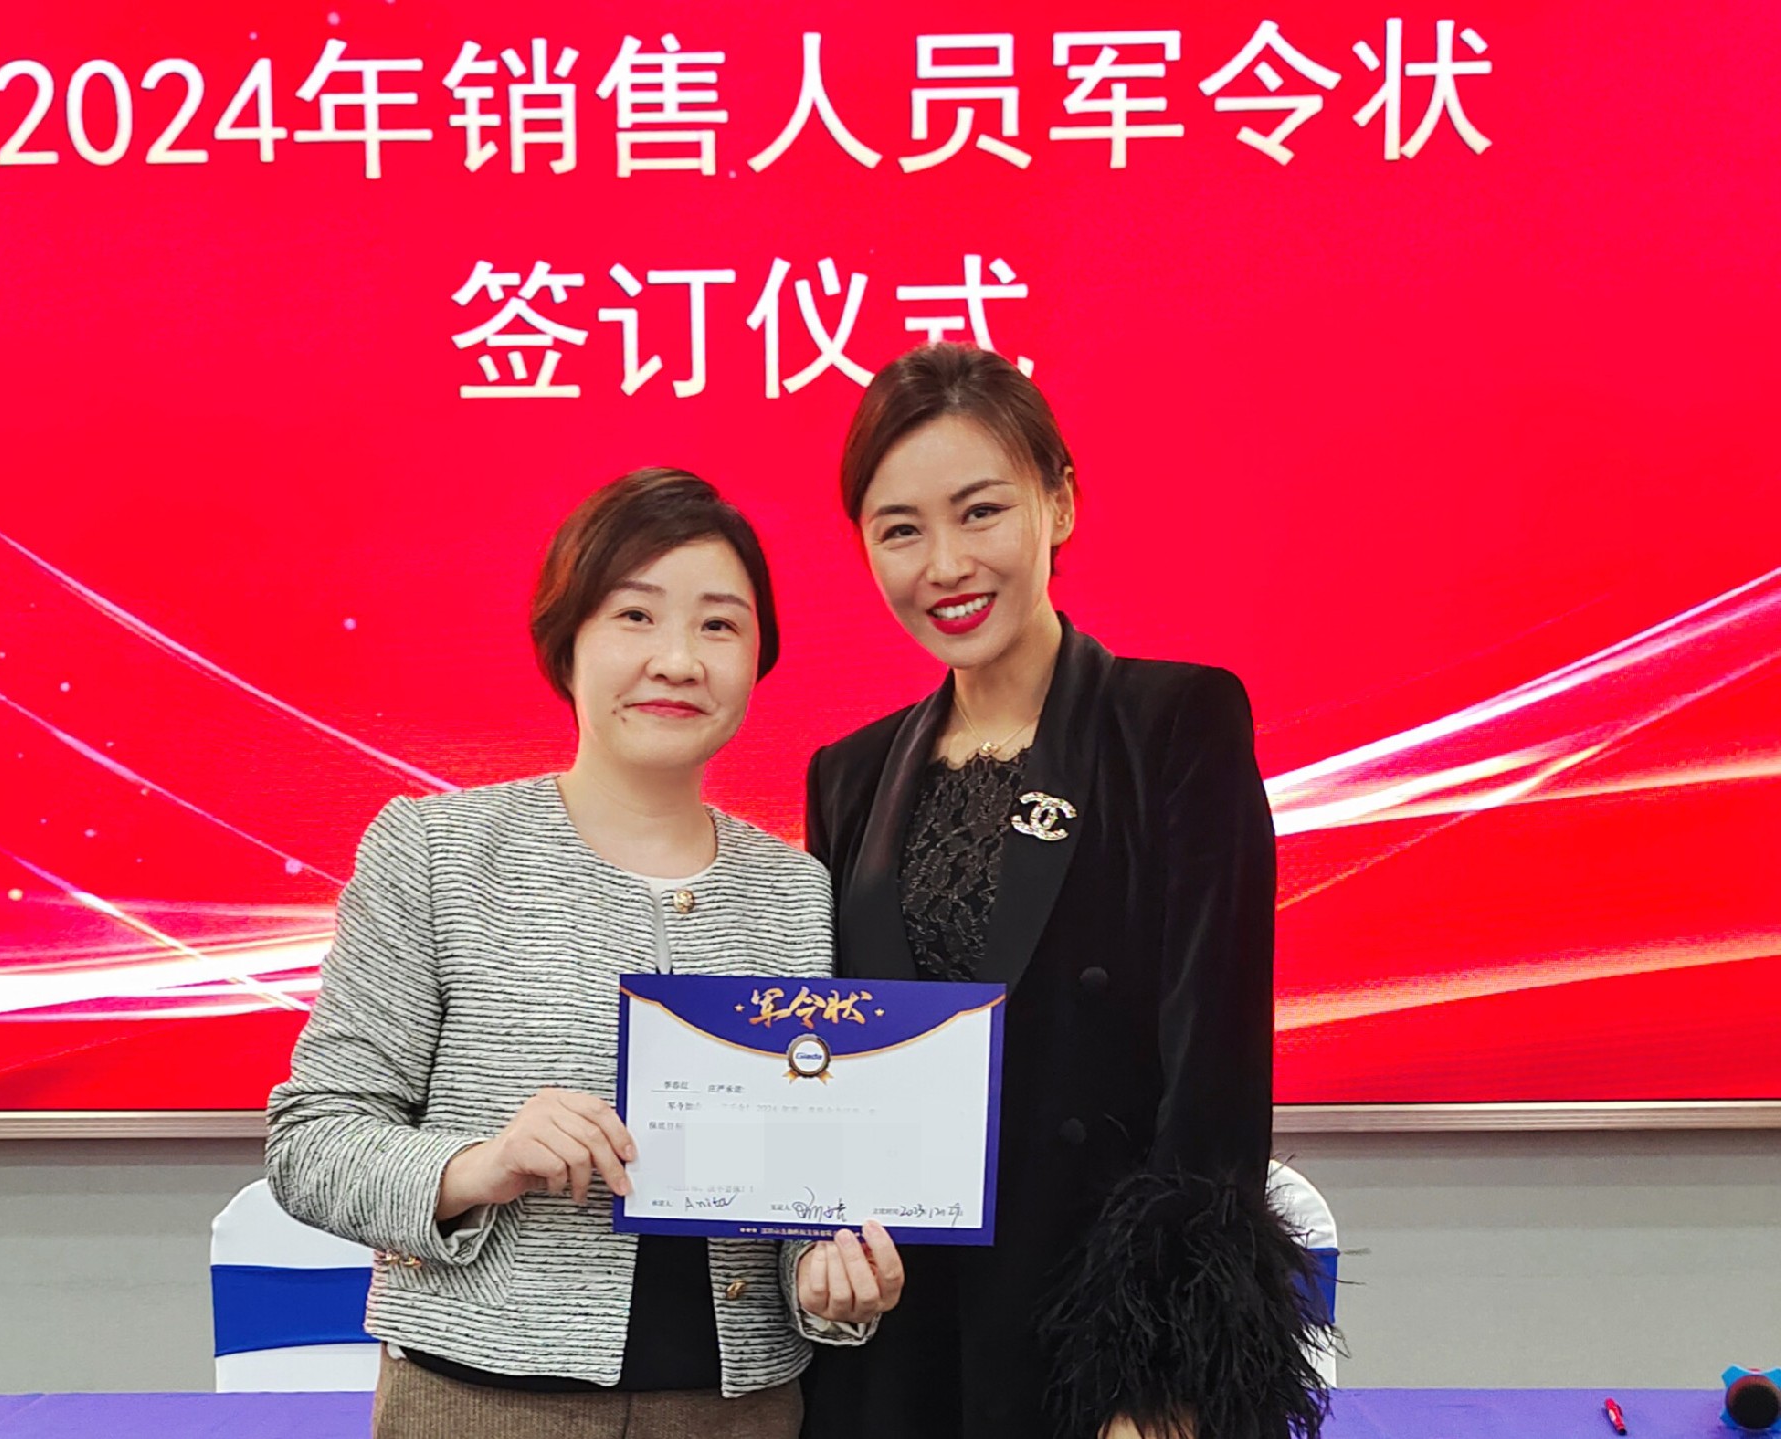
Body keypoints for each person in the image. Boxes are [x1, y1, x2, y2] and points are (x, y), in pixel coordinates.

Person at [268, 468, 904, 1439]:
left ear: (757, 658)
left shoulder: (796, 888)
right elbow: (311, 1140)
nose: (677, 660)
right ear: (567, 641)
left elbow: (798, 1176)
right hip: (478, 1405)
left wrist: (828, 1282)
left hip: (739, 1414)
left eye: (719, 625)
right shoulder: (438, 851)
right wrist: (482, 1162)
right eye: (635, 616)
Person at [799, 347, 1327, 1439]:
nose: (945, 564)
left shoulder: (1175, 723)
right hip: (899, 1346)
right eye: (900, 530)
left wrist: (1162, 1379)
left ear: (1060, 502)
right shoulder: (847, 776)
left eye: (980, 511)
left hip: (1096, 1342)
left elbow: (1215, 1078)